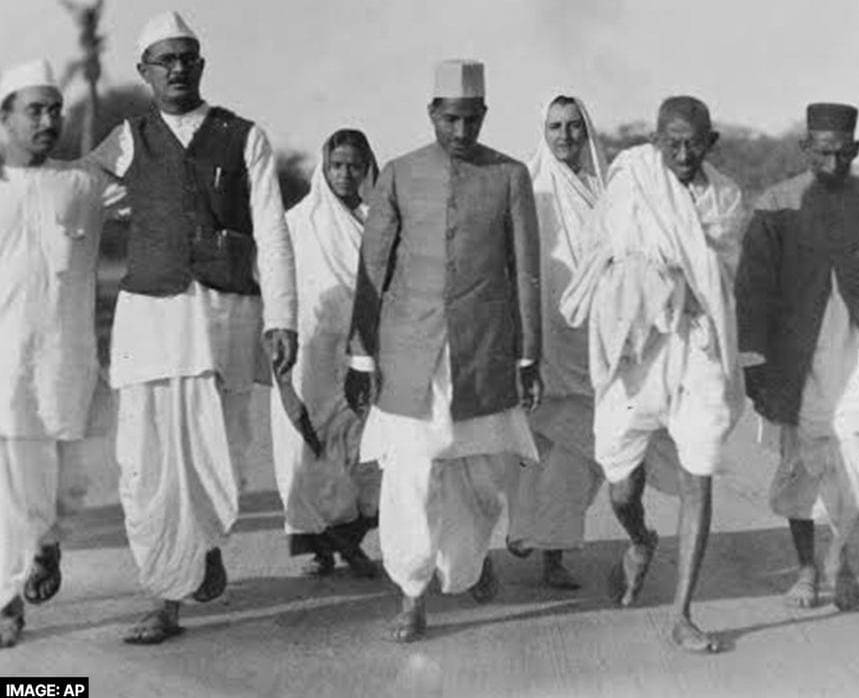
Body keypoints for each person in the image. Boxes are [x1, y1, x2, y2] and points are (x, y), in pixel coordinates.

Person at [88, 11, 298, 644]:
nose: (177, 68)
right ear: (144, 71)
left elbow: (273, 234)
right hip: (149, 322)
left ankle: (203, 543)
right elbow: (76, 200)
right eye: (165, 60)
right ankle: (165, 597)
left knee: (218, 458)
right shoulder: (126, 139)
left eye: (187, 57)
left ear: (201, 64)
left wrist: (282, 318)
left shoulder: (244, 136)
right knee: (146, 462)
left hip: (222, 320)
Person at [345, 59, 542, 643]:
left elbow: (526, 271)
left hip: (482, 353)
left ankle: (469, 562)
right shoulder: (399, 174)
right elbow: (371, 271)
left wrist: (529, 356)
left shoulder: (509, 175)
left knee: (481, 476)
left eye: (471, 119)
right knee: (409, 476)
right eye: (450, 119)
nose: (461, 131)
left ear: (484, 114)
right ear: (432, 112)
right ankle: (411, 595)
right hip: (411, 353)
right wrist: (360, 357)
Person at [561, 96, 747, 653]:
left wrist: (679, 275)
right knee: (621, 486)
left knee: (698, 473)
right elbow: (599, 249)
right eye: (673, 143)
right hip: (637, 346)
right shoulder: (631, 179)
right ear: (655, 140)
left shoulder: (726, 198)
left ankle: (682, 614)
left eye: (694, 143)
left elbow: (720, 272)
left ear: (711, 142)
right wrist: (641, 279)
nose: (684, 154)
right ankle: (641, 538)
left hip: (697, 343)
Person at [736, 102, 859, 611]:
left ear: (856, 149)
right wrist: (754, 362)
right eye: (822, 153)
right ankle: (807, 570)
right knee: (802, 465)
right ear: (806, 148)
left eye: (843, 154)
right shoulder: (777, 203)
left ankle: (839, 558)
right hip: (794, 359)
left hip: (858, 349)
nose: (832, 163)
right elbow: (753, 289)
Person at [0, 59, 109, 649]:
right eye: (34, 110)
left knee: (57, 484)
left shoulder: (83, 183)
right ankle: (6, 598)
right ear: (5, 119)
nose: (48, 121)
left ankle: (45, 543)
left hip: (64, 363)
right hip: (4, 365)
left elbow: (152, 177)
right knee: (7, 484)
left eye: (54, 110)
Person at [504, 96, 607, 590]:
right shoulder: (528, 186)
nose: (565, 136)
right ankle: (532, 536)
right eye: (555, 127)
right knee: (538, 448)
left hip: (593, 342)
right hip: (541, 339)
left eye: (573, 126)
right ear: (542, 132)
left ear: (586, 131)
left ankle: (553, 549)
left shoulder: (604, 190)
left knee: (580, 458)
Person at [273, 129, 382, 578]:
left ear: (367, 169)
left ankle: (350, 541)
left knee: (359, 444)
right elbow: (278, 284)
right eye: (337, 165)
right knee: (313, 444)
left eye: (354, 165)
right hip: (312, 349)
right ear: (324, 167)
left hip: (362, 348)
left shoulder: (378, 221)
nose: (345, 174)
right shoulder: (298, 221)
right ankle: (322, 546)